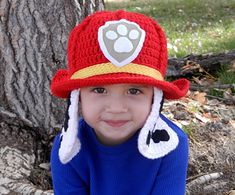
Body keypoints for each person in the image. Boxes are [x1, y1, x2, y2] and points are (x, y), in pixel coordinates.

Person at [50, 10, 190, 195]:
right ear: (78, 97)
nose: (116, 108)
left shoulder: (170, 144)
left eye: (134, 91)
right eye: (99, 90)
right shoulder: (68, 149)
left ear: (155, 99)